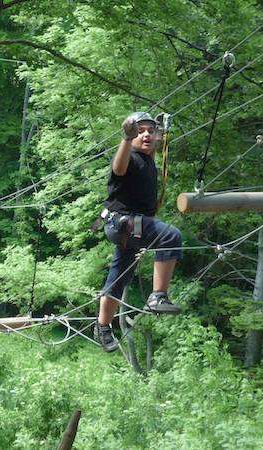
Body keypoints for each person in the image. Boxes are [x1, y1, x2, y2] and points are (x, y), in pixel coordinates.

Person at [94, 112, 182, 353]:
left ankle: (102, 327)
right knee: (170, 236)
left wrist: (160, 131)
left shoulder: (147, 158)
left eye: (149, 132)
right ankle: (158, 296)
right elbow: (119, 167)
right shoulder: (128, 157)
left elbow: (152, 144)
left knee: (119, 278)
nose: (146, 135)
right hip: (125, 223)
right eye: (140, 131)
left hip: (127, 226)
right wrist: (125, 138)